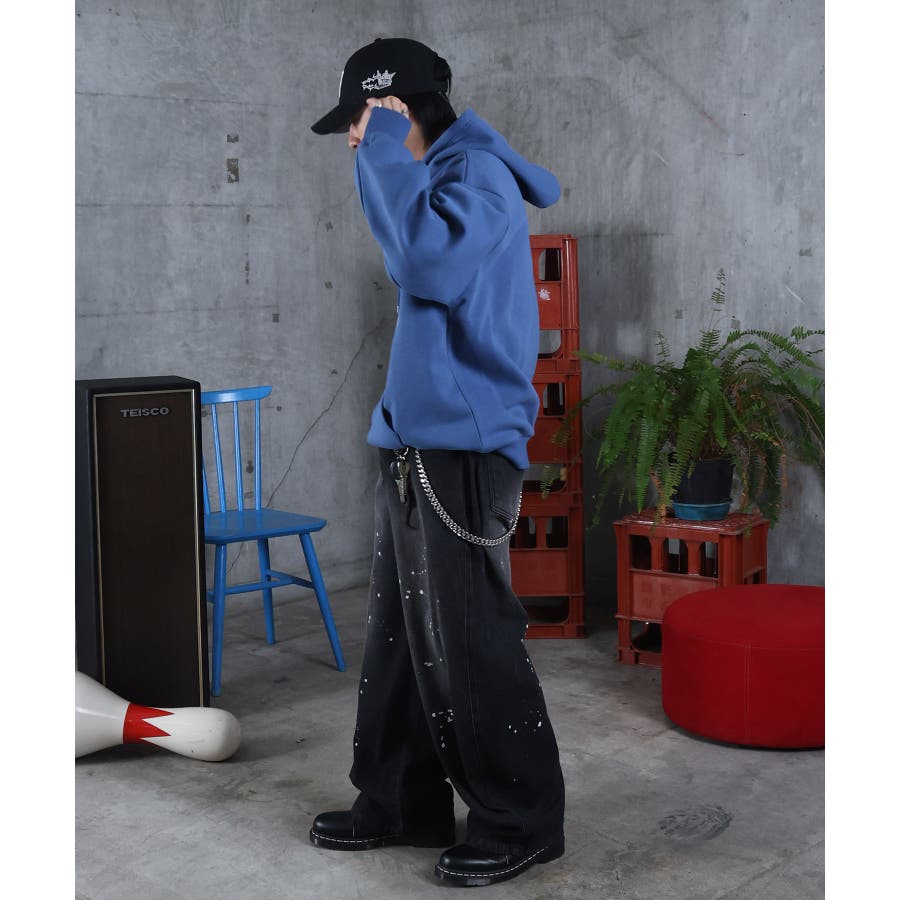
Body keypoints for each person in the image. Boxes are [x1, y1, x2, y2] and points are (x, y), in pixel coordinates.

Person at [309, 37, 566, 888]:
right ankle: (401, 799)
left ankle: (522, 819)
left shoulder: (476, 176)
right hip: (417, 440)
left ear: (393, 106)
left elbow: (426, 263)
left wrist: (383, 150)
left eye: (358, 121)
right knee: (401, 639)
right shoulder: (433, 175)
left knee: (469, 638)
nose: (354, 139)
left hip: (465, 444)